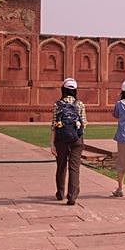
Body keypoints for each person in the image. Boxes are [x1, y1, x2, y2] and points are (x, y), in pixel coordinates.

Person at [50, 77, 87, 205]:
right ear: (75, 90)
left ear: (63, 89)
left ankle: (60, 193)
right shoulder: (80, 104)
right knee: (74, 168)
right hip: (76, 139)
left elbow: (54, 125)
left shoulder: (57, 105)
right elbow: (84, 124)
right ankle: (72, 196)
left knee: (61, 166)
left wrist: (52, 143)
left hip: (61, 139)